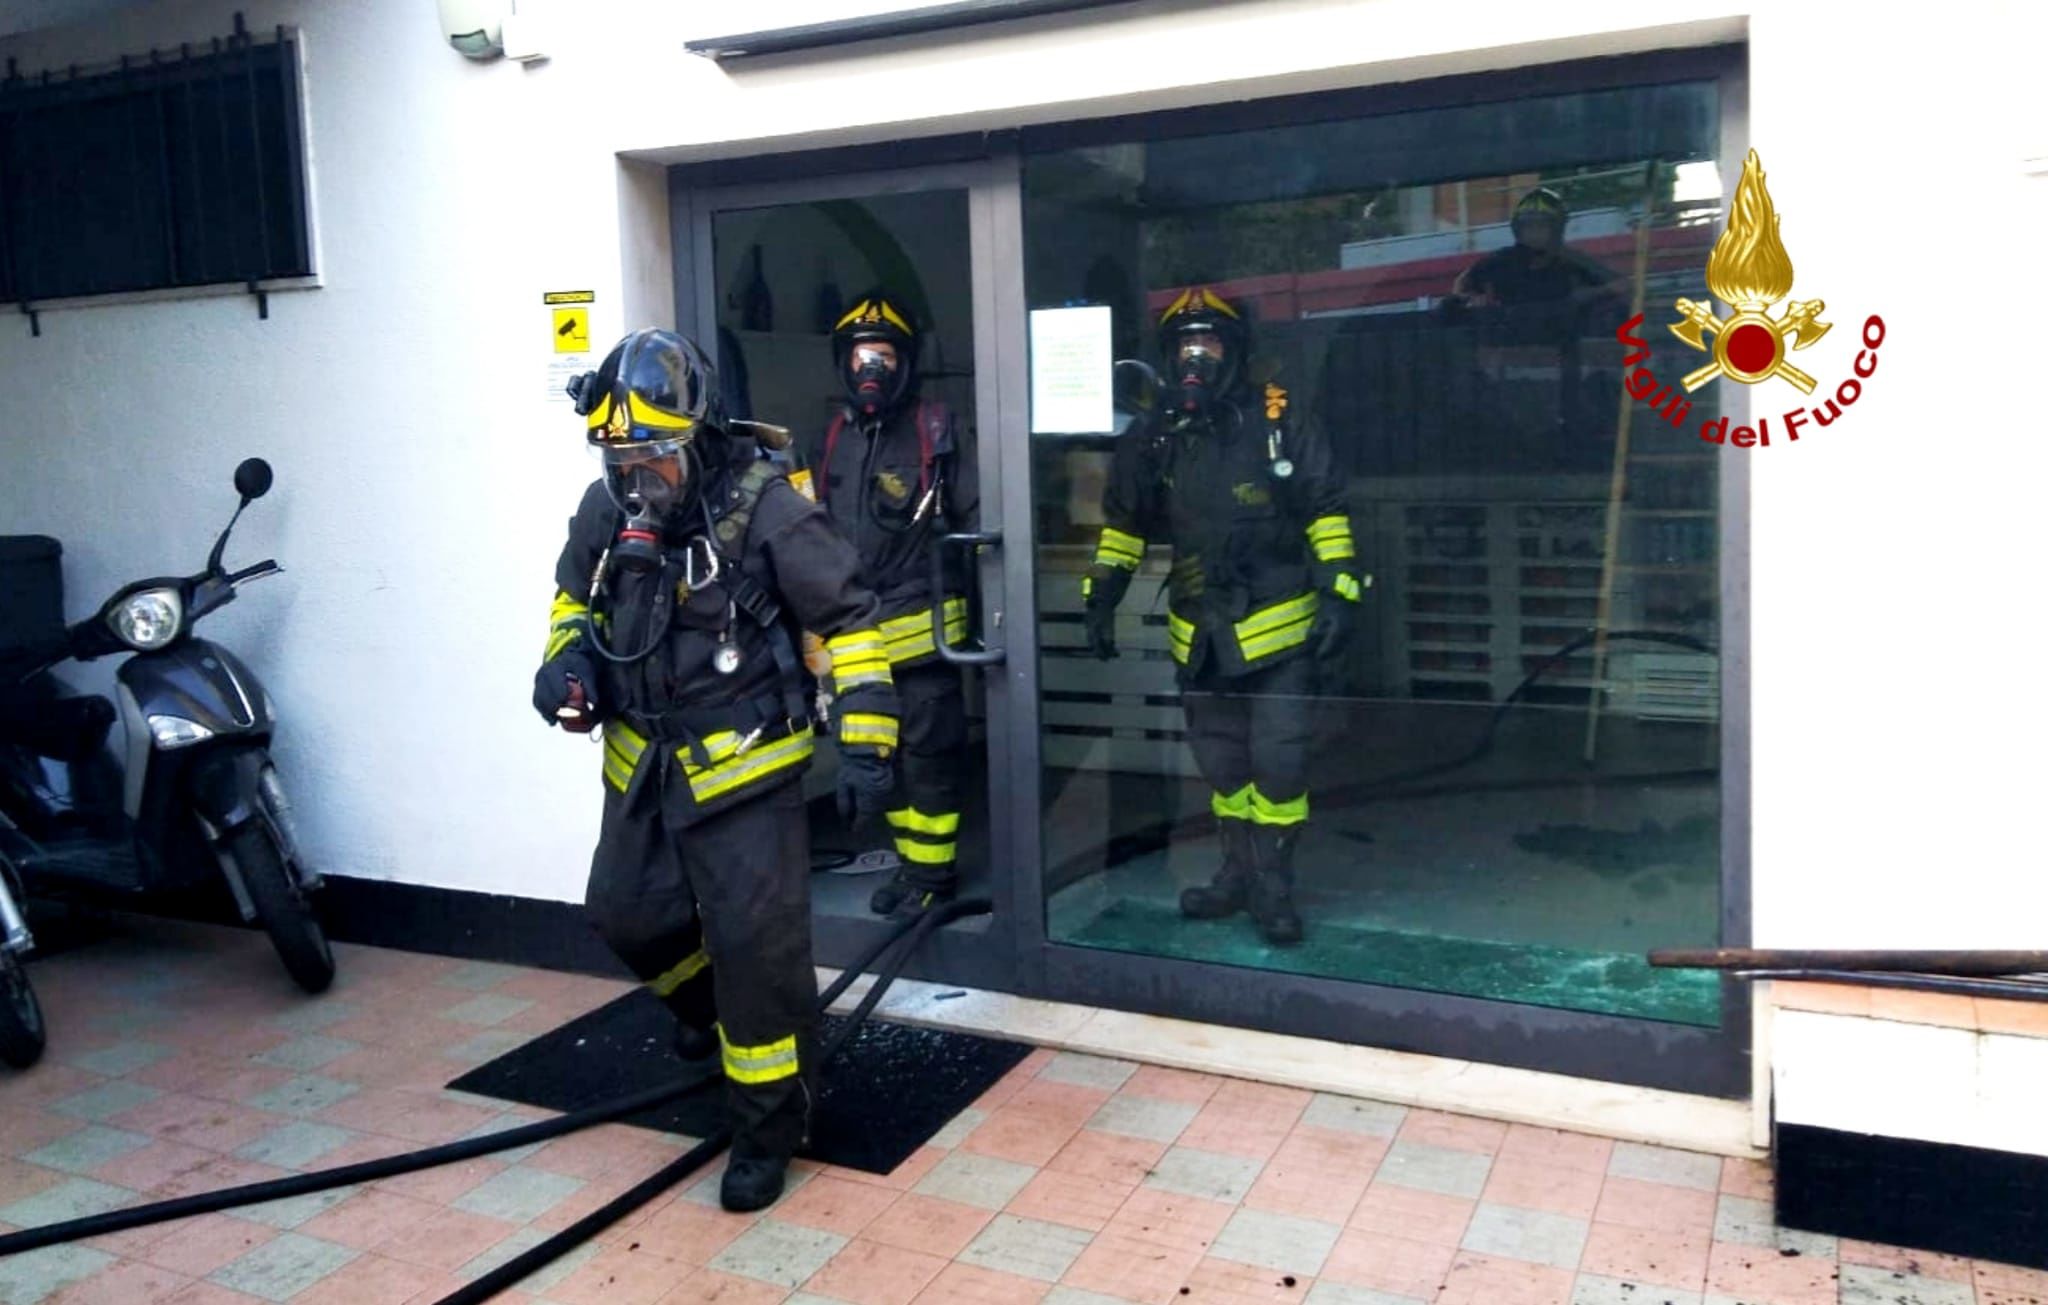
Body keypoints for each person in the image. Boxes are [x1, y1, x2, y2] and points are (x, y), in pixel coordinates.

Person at [533, 329, 900, 1212]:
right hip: (643, 767)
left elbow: (851, 619)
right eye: (622, 459)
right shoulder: (605, 507)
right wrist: (566, 661)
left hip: (744, 775)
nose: (638, 478)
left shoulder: (767, 510)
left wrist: (867, 741)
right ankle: (708, 1014)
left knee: (756, 958)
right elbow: (572, 599)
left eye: (654, 456)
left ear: (695, 437)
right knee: (624, 914)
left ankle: (770, 1130)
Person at [1081, 288, 1369, 946]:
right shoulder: (1155, 434)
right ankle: (1236, 872)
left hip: (1280, 633)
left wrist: (1340, 593)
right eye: (1185, 345)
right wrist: (1102, 594)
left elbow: (1324, 507)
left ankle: (1274, 883)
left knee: (1279, 764)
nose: (1196, 357)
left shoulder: (1278, 420)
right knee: (1222, 767)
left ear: (1234, 352)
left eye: (1208, 343)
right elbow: (1125, 523)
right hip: (1201, 636)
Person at [803, 290, 978, 918]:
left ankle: (935, 877)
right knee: (887, 766)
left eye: (882, 355)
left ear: (905, 361)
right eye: (860, 356)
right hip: (861, 648)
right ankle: (912, 868)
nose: (870, 368)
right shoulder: (836, 436)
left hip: (924, 643)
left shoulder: (936, 431)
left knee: (928, 764)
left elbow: (979, 523)